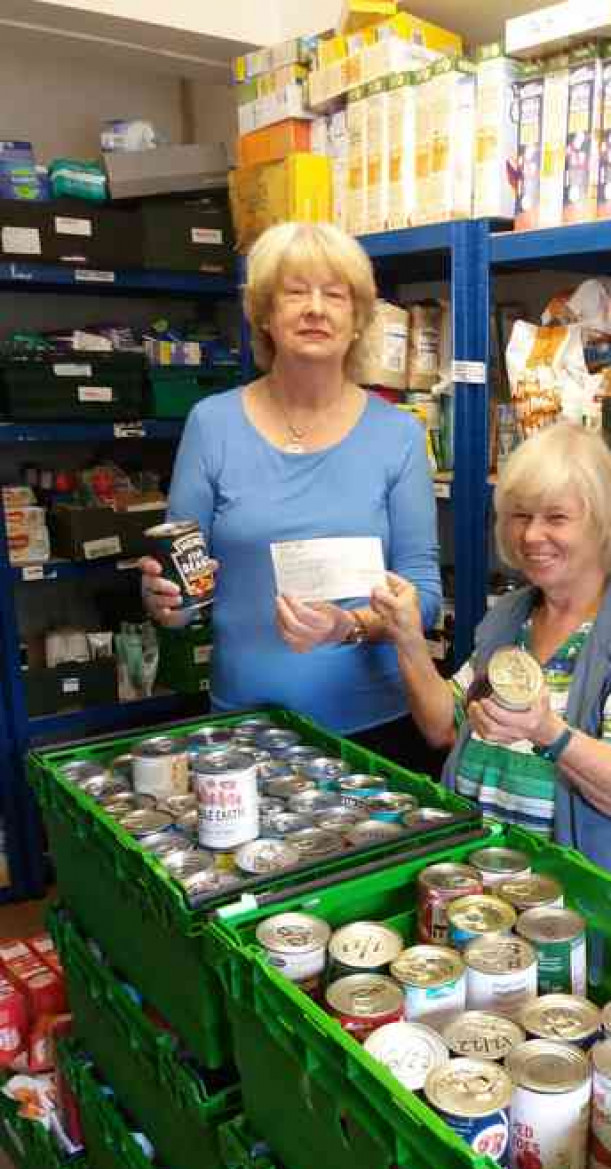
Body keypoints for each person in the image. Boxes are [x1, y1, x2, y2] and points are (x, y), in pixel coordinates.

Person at [285, 421, 611, 914]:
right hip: (487, 896)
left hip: (591, 913)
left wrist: (550, 732)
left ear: (603, 524)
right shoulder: (513, 615)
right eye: (520, 515)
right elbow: (445, 726)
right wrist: (406, 637)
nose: (532, 535)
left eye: (556, 517)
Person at [139, 221, 442, 769]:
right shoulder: (213, 425)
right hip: (245, 729)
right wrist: (164, 602)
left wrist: (349, 626)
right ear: (265, 315)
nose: (315, 309)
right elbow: (183, 590)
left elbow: (424, 597)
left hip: (376, 728)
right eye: (296, 291)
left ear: (357, 320)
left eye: (335, 294)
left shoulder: (397, 435)